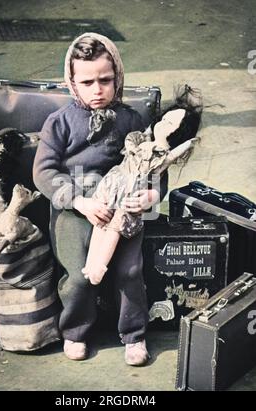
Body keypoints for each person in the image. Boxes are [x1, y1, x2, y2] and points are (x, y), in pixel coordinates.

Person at [33, 32, 167, 366]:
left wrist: (151, 193)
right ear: (72, 82)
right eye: (87, 82)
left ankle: (134, 335)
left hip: (122, 206)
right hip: (76, 207)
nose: (97, 90)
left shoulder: (132, 120)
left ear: (117, 77)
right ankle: (76, 331)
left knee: (129, 271)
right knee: (79, 275)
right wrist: (80, 201)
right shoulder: (60, 122)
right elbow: (44, 172)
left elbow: (154, 165)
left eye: (105, 80)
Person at [81, 85, 203, 286]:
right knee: (100, 222)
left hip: (131, 189)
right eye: (164, 119)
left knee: (115, 225)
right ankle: (91, 263)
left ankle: (100, 266)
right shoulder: (144, 138)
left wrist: (154, 195)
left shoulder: (160, 153)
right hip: (114, 182)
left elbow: (165, 166)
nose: (163, 124)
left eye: (171, 123)